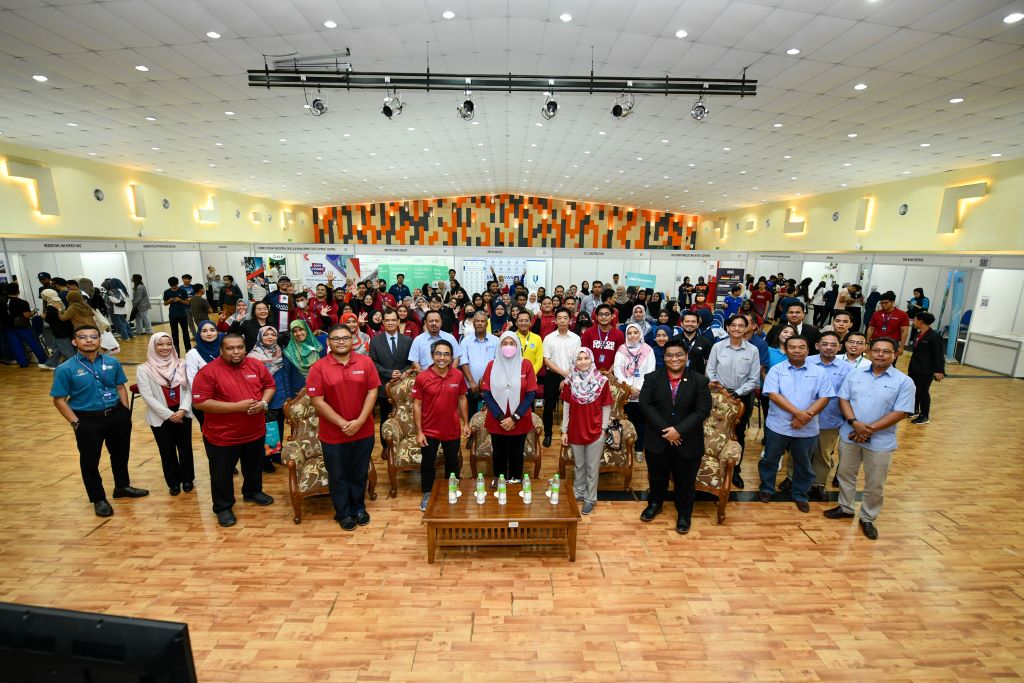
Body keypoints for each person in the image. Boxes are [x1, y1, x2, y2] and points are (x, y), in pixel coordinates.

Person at [50, 324, 147, 517]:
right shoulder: (65, 369)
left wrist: (124, 412)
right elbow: (59, 399)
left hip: (116, 416)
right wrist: (75, 423)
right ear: (74, 341)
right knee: (90, 461)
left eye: (93, 337)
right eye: (83, 337)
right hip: (87, 420)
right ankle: (98, 498)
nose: (88, 340)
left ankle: (122, 487)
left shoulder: (112, 363)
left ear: (99, 340)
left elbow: (120, 387)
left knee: (120, 454)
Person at [826, 338, 915, 540]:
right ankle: (845, 507)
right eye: (876, 350)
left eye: (886, 351)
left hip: (880, 442)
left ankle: (867, 517)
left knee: (875, 482)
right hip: (850, 435)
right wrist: (855, 423)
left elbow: (901, 412)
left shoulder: (904, 382)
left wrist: (869, 430)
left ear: (895, 354)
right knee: (846, 475)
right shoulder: (855, 374)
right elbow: (843, 399)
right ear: (869, 352)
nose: (880, 355)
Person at [191, 333, 276, 528]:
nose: (236, 352)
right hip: (222, 436)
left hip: (255, 431)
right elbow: (200, 403)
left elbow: (270, 386)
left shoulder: (256, 365)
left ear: (245, 348)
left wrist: (263, 403)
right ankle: (223, 507)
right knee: (221, 474)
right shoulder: (208, 372)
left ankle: (253, 492)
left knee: (254, 466)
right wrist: (237, 407)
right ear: (221, 350)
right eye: (230, 348)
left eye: (239, 347)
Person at [306, 325, 381, 531]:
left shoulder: (365, 362)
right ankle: (343, 512)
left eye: (345, 338)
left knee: (359, 473)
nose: (341, 342)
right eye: (336, 339)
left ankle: (359, 508)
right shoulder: (318, 368)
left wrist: (359, 421)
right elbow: (317, 401)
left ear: (352, 340)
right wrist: (343, 423)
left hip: (363, 431)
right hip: (333, 435)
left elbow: (372, 392)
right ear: (328, 342)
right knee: (338, 475)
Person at [638, 338, 712, 534]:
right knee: (657, 478)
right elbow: (645, 405)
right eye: (669, 355)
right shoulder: (652, 378)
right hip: (658, 439)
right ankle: (655, 504)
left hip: (688, 441)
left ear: (686, 357)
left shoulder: (699, 380)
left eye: (679, 355)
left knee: (685, 481)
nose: (674, 359)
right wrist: (667, 431)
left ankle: (684, 514)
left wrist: (678, 431)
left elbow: (703, 410)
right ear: (664, 357)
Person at [757, 335, 837, 512]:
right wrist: (799, 414)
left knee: (803, 463)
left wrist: (807, 416)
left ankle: (800, 494)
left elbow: (825, 397)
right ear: (786, 350)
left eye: (802, 347)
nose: (797, 350)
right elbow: (773, 395)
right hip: (778, 426)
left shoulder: (819, 372)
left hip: (807, 427)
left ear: (808, 350)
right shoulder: (776, 370)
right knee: (770, 459)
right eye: (792, 347)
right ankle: (766, 488)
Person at [781, 332, 851, 501]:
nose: (829, 347)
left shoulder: (846, 369)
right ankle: (791, 477)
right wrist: (799, 414)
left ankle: (818, 484)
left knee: (823, 454)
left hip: (830, 419)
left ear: (839, 347)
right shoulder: (806, 361)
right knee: (798, 452)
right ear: (817, 345)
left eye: (833, 345)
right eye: (825, 344)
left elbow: (847, 395)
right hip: (803, 418)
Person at [413, 339, 470, 511]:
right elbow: (417, 405)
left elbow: (462, 398)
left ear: (452, 357)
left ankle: (451, 489)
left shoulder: (458, 375)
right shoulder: (422, 377)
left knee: (452, 462)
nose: (442, 358)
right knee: (428, 463)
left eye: (446, 354)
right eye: (438, 354)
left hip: (451, 428)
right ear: (432, 356)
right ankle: (428, 493)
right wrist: (419, 432)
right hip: (429, 430)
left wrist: (466, 423)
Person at [136, 332, 195, 496]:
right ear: (153, 347)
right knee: (167, 450)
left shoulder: (182, 364)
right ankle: (174, 482)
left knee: (185, 448)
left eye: (168, 344)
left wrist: (183, 410)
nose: (165, 348)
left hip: (183, 413)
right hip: (160, 417)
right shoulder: (144, 369)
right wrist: (169, 415)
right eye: (160, 344)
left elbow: (190, 389)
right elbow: (147, 396)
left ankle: (188, 479)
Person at [706, 315, 760, 489]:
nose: (736, 329)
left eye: (741, 326)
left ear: (746, 329)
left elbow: (754, 379)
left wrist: (736, 393)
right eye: (733, 325)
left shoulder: (753, 351)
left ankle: (735, 471)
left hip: (741, 398)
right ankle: (713, 464)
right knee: (714, 431)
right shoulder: (717, 347)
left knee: (737, 434)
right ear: (727, 328)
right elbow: (710, 370)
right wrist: (721, 390)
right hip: (717, 396)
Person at [479, 331, 538, 483]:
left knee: (517, 454)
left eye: (512, 343)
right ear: (499, 346)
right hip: (497, 419)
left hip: (520, 419)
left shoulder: (526, 365)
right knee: (499, 454)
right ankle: (500, 483)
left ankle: (515, 482)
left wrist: (514, 418)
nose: (508, 346)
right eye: (505, 343)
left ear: (518, 346)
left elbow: (530, 394)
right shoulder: (491, 366)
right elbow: (486, 393)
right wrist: (501, 418)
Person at [560, 348, 612, 516]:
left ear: (591, 360)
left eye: (586, 358)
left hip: (595, 430)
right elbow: (566, 407)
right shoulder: (569, 382)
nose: (583, 362)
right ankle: (578, 492)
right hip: (575, 430)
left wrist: (603, 429)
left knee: (592, 466)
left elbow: (606, 406)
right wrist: (564, 430)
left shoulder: (602, 381)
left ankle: (590, 498)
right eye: (579, 359)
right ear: (575, 362)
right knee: (579, 465)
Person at [614, 322, 656, 461]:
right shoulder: (621, 349)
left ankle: (638, 449)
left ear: (640, 334)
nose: (632, 336)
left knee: (640, 422)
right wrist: (628, 387)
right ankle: (625, 448)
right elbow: (617, 370)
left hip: (642, 392)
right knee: (624, 421)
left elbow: (650, 372)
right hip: (625, 392)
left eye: (635, 332)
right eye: (629, 333)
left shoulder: (648, 350)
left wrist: (638, 388)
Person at [368, 310, 414, 435]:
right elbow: (372, 362)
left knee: (404, 417)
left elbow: (411, 362)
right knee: (385, 417)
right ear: (383, 322)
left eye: (393, 320)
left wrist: (402, 373)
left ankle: (403, 440)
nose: (390, 322)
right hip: (384, 386)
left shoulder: (408, 340)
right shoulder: (375, 340)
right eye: (387, 320)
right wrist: (388, 373)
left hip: (403, 385)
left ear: (398, 321)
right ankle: (385, 447)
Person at [541, 307, 581, 448]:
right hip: (552, 375)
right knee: (549, 405)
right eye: (560, 318)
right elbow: (546, 360)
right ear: (555, 320)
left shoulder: (576, 338)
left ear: (570, 320)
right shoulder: (549, 338)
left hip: (572, 375)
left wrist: (567, 377)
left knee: (572, 406)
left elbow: (578, 360)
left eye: (565, 318)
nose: (562, 321)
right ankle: (548, 434)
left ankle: (571, 433)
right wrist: (562, 374)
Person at [907, 312, 945, 425]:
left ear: (921, 321)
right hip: (914, 367)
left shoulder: (934, 336)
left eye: (915, 319)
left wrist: (939, 370)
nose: (913, 322)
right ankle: (914, 410)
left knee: (923, 391)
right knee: (914, 390)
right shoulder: (918, 334)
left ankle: (924, 416)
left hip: (926, 369)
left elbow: (939, 354)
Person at [461, 309, 498, 417]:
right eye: (477, 321)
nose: (480, 323)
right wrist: (471, 381)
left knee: (491, 416)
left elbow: (498, 363)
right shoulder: (466, 341)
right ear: (473, 323)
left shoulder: (495, 341)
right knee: (472, 416)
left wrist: (488, 382)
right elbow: (464, 362)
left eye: (482, 321)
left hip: (492, 385)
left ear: (487, 324)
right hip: (471, 385)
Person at [185, 319, 221, 428]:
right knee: (210, 432)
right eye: (204, 331)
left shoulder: (224, 349)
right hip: (206, 401)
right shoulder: (193, 354)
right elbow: (192, 380)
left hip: (227, 399)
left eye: (212, 330)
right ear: (199, 333)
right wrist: (203, 401)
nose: (209, 334)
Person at [3, 283, 48, 368]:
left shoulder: (2, 302)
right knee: (34, 343)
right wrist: (34, 312)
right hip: (22, 327)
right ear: (18, 291)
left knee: (16, 345)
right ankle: (44, 361)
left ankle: (23, 363)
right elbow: (27, 315)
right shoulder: (22, 302)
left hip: (8, 327)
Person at [581, 304, 625, 376]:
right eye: (601, 314)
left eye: (607, 314)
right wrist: (594, 371)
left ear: (612, 316)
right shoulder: (588, 332)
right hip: (590, 373)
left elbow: (620, 356)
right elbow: (584, 354)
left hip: (612, 374)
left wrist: (610, 371)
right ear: (596, 317)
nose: (603, 317)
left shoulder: (619, 334)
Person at [866, 291, 911, 356]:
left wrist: (901, 346)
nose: (883, 305)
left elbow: (904, 331)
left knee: (890, 363)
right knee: (874, 362)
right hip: (876, 341)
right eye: (881, 303)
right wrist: (867, 343)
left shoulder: (902, 314)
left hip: (892, 343)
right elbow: (871, 329)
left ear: (893, 302)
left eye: (886, 303)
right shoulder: (876, 314)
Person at [40, 289, 75, 369]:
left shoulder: (50, 306)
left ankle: (76, 365)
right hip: (64, 328)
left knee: (67, 349)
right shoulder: (60, 302)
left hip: (60, 331)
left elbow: (49, 319)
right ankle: (51, 363)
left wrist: (43, 316)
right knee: (56, 348)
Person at [163, 276, 192, 355]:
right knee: (174, 334)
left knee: (185, 332)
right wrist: (170, 301)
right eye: (173, 286)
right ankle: (176, 350)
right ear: (170, 285)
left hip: (182, 314)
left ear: (177, 283)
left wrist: (180, 300)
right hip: (172, 315)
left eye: (175, 285)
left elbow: (187, 303)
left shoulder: (182, 291)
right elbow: (165, 303)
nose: (174, 287)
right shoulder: (167, 292)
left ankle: (188, 348)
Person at [513, 310, 543, 376]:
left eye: (526, 321)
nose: (523, 323)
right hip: (513, 376)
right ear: (516, 323)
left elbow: (539, 361)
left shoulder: (537, 338)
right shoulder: (511, 338)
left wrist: (530, 374)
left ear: (530, 323)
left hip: (531, 377)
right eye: (520, 321)